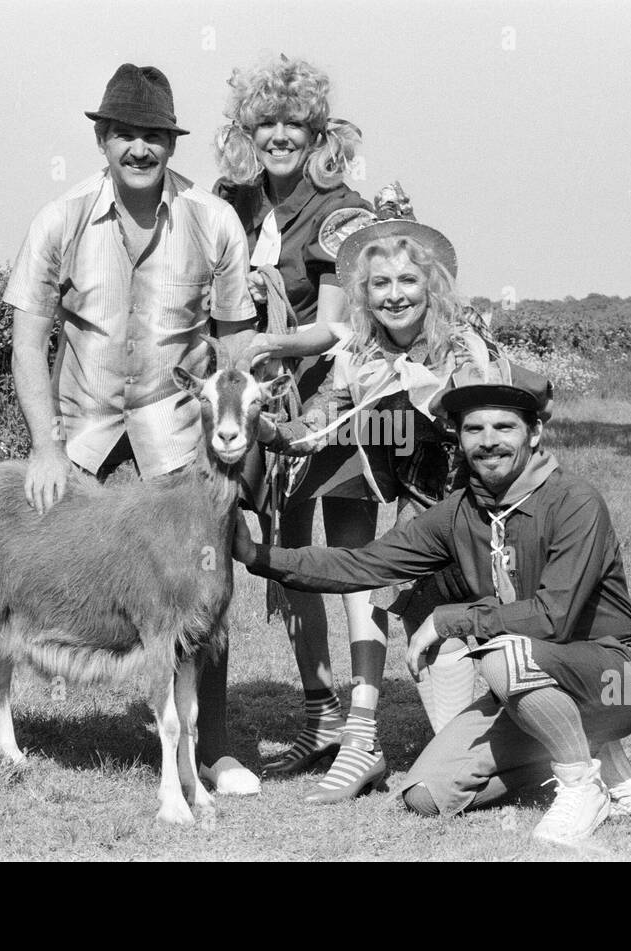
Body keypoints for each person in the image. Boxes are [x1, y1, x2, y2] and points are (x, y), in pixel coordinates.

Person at [0, 63, 262, 796]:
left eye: (154, 135)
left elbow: (237, 340)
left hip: (176, 421)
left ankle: (209, 746)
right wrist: (43, 445)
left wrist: (238, 419)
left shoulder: (212, 221)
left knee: (200, 565)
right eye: (125, 133)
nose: (139, 148)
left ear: (170, 142)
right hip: (81, 421)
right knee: (29, 560)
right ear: (101, 137)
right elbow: (28, 342)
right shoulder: (60, 218)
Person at [235, 368, 631, 846]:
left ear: (535, 433)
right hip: (529, 683)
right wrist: (258, 556)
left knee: (503, 654)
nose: (488, 441)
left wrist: (449, 619)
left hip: (615, 679)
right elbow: (366, 564)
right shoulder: (460, 513)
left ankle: (580, 786)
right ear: (459, 438)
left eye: (504, 427)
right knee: (426, 796)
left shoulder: (574, 501)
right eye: (474, 429)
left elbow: (551, 617)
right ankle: (588, 749)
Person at [254, 209, 522, 803]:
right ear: (364, 294)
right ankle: (372, 745)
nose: (395, 295)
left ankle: (567, 747)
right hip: (424, 514)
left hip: (489, 516)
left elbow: (499, 431)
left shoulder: (465, 343)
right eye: (381, 284)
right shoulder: (358, 354)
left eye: (407, 281)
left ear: (431, 286)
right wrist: (270, 431)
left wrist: (436, 396)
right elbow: (319, 422)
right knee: (424, 641)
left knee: (511, 643)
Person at [210, 55, 382, 784]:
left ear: (317, 132)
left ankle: (367, 725)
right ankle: (320, 713)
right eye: (266, 122)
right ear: (248, 129)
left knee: (352, 564)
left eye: (295, 123)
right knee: (285, 560)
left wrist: (268, 342)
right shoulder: (229, 202)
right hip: (262, 409)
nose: (280, 135)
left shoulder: (344, 207)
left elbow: (339, 329)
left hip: (338, 403)